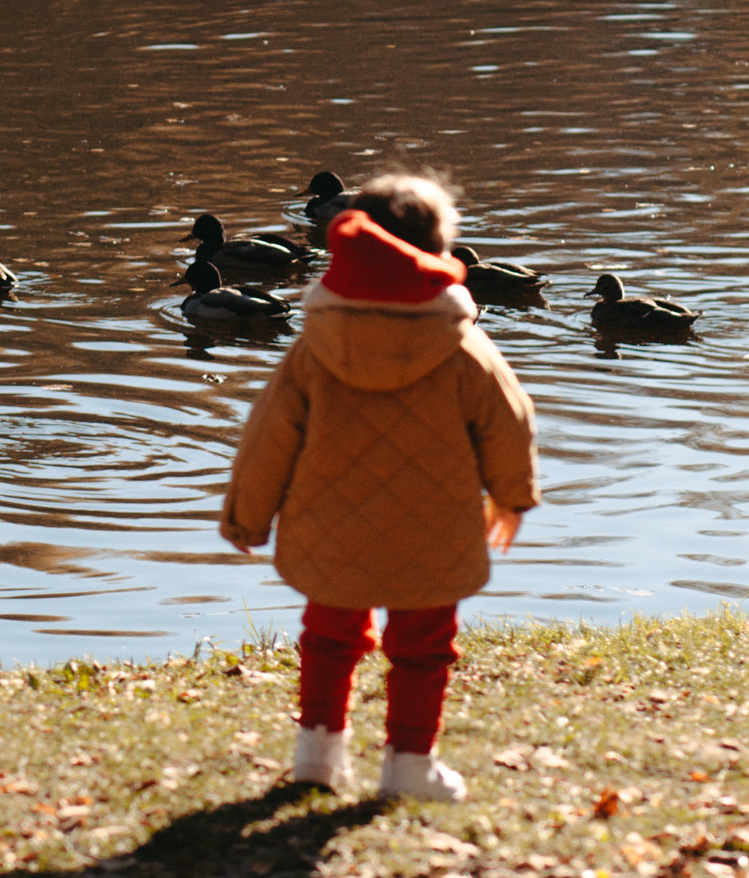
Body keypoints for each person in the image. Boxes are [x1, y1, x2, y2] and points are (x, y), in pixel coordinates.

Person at [218, 173, 539, 800]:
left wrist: (247, 518)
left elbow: (267, 436)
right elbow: (510, 421)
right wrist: (511, 495)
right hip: (434, 529)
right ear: (434, 252)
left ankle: (316, 758)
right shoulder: (463, 344)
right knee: (423, 649)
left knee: (329, 639)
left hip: (327, 527)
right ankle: (410, 766)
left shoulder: (314, 345)